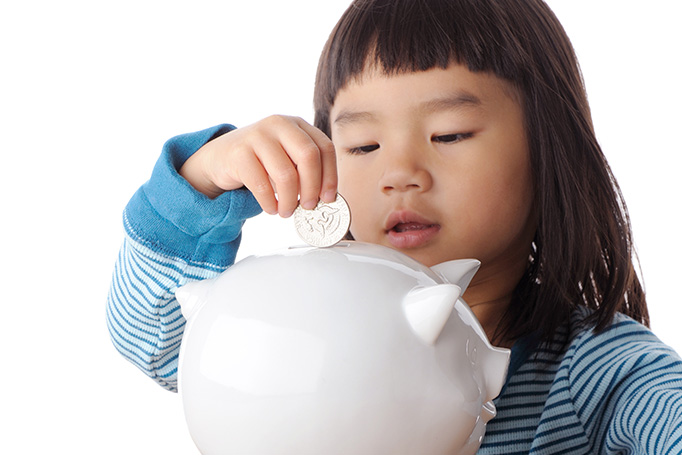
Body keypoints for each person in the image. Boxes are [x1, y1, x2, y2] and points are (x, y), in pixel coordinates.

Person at [106, 0, 682, 452]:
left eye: (450, 134)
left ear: (547, 148)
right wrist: (201, 180)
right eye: (362, 144)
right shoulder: (304, 321)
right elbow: (150, 341)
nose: (398, 172)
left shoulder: (595, 372)